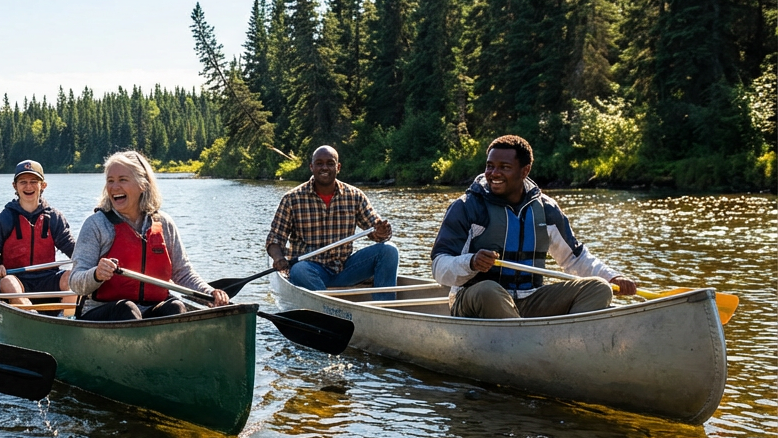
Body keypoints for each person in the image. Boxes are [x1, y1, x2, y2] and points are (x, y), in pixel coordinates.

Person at [430, 134, 637, 318]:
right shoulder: (467, 207)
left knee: (599, 288)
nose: (494, 173)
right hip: (474, 299)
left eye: (504, 167)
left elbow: (575, 258)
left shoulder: (546, 209)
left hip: (529, 301)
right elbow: (439, 267)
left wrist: (612, 277)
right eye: (490, 165)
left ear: (525, 170)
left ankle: (565, 343)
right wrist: (471, 262)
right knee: (489, 290)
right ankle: (529, 346)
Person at [69, 151, 231, 320]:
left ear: (143, 185)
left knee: (175, 306)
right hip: (104, 312)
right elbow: (75, 282)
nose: (114, 187)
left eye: (122, 180)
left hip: (150, 310)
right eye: (110, 181)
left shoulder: (164, 223)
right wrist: (96, 274)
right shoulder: (97, 224)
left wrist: (209, 293)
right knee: (127, 308)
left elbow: (183, 273)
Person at [265, 145, 398, 301]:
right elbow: (274, 239)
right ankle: (331, 306)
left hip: (345, 269)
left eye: (330, 163)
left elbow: (375, 228)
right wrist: (278, 259)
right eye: (319, 163)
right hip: (310, 270)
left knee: (389, 250)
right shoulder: (292, 199)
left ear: (338, 167)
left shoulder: (354, 196)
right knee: (299, 270)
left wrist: (382, 232)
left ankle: (384, 306)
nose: (324, 167)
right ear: (311, 167)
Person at [0, 159, 76, 307]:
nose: (28, 186)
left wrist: (89, 264)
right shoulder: (2, 218)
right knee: (9, 283)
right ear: (15, 186)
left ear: (43, 185)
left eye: (33, 181)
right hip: (14, 278)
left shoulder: (54, 218)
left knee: (73, 278)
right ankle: (31, 314)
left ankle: (68, 320)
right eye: (23, 182)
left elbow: (74, 252)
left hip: (48, 278)